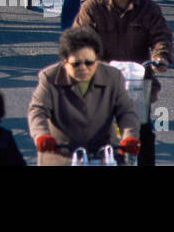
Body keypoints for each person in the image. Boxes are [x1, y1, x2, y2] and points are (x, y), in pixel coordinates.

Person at [73, 0, 171, 166]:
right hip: (99, 82)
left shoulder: (147, 8)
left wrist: (160, 57)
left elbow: (161, 36)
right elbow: (80, 40)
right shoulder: (93, 7)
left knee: (143, 133)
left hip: (136, 84)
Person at [28, 25, 140, 165]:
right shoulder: (49, 77)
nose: (83, 68)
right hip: (60, 153)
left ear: (97, 59)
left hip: (102, 154)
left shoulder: (113, 77)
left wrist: (129, 136)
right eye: (76, 64)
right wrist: (42, 136)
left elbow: (126, 111)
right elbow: (38, 110)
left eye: (89, 63)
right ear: (64, 62)